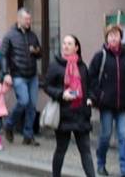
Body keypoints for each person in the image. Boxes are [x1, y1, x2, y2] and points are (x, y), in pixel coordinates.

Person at [88, 24, 125, 177]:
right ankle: (101, 162)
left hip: (123, 104)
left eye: (116, 35)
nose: (113, 38)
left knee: (123, 136)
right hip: (106, 104)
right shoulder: (100, 56)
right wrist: (99, 94)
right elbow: (91, 78)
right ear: (106, 38)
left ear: (120, 38)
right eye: (110, 35)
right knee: (105, 135)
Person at [46, 34, 96, 177]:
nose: (66, 46)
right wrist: (62, 93)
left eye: (69, 44)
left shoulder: (82, 66)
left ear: (76, 47)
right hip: (64, 114)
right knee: (61, 149)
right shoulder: (56, 65)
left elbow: (90, 86)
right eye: (64, 43)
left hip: (81, 114)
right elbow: (47, 86)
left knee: (85, 151)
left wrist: (90, 98)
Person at [1, 8, 42, 146]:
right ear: (19, 19)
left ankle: (28, 135)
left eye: (30, 19)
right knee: (23, 101)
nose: (29, 22)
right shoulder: (10, 36)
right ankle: (9, 124)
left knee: (32, 106)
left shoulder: (32, 35)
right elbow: (3, 56)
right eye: (26, 19)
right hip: (18, 75)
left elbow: (40, 53)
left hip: (32, 75)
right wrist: (6, 73)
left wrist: (36, 51)